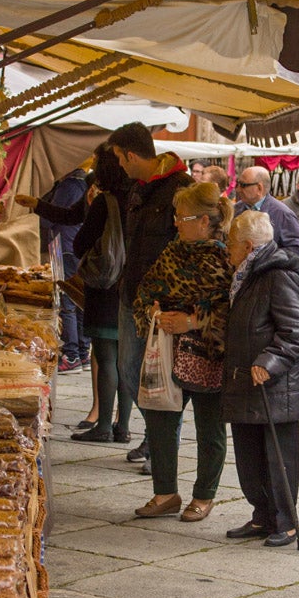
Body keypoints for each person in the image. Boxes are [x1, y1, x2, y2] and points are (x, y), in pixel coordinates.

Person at [131, 183, 233, 521]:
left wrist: (191, 320)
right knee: (160, 420)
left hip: (209, 355)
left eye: (182, 217)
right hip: (167, 350)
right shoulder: (172, 252)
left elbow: (233, 308)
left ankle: (204, 496)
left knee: (209, 426)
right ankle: (165, 492)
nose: (176, 223)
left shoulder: (223, 256)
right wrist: (156, 315)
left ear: (204, 221)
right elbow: (145, 292)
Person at [221, 211, 299, 547]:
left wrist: (270, 359)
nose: (226, 250)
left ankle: (286, 521)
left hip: (276, 384)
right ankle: (262, 515)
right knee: (249, 457)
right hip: (246, 380)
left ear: (249, 246)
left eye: (231, 245)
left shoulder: (278, 275)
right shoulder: (248, 272)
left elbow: (296, 330)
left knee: (277, 458)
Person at [109, 123, 193, 470]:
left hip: (164, 302)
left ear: (130, 155)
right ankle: (155, 433)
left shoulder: (181, 188)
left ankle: (162, 446)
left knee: (160, 378)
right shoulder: (136, 189)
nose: (119, 166)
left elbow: (191, 247)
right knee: (128, 370)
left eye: (119, 159)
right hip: (132, 294)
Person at [63, 145, 135, 443]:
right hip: (130, 287)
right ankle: (124, 426)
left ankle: (104, 425)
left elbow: (80, 243)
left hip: (106, 289)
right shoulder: (138, 199)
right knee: (125, 359)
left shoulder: (105, 202)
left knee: (106, 357)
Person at [16, 166, 90, 373]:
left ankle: (71, 354)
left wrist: (36, 207)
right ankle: (82, 353)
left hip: (65, 246)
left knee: (67, 300)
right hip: (73, 245)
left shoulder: (69, 186)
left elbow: (52, 218)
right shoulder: (82, 184)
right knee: (77, 298)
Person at [233, 166, 299, 259]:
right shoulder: (236, 209)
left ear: (259, 188)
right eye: (238, 184)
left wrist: (269, 259)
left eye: (243, 185)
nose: (238, 189)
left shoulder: (282, 213)